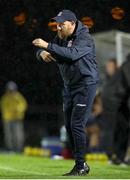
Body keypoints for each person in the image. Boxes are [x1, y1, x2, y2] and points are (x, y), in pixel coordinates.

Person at [32, 9, 99, 176]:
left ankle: (81, 165)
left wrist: (47, 46)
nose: (59, 28)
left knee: (77, 124)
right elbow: (43, 51)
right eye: (57, 24)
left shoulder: (85, 38)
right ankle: (81, 162)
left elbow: (71, 55)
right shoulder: (61, 38)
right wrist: (42, 53)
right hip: (69, 87)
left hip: (85, 85)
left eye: (62, 24)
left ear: (73, 24)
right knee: (69, 126)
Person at [0, 81, 28, 152]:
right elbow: (3, 107)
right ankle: (10, 149)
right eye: (10, 90)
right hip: (8, 119)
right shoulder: (5, 98)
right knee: (8, 135)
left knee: (18, 135)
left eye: (12, 90)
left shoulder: (18, 97)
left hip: (17, 119)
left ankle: (18, 148)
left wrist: (18, 109)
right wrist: (11, 111)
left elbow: (23, 105)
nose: (11, 92)